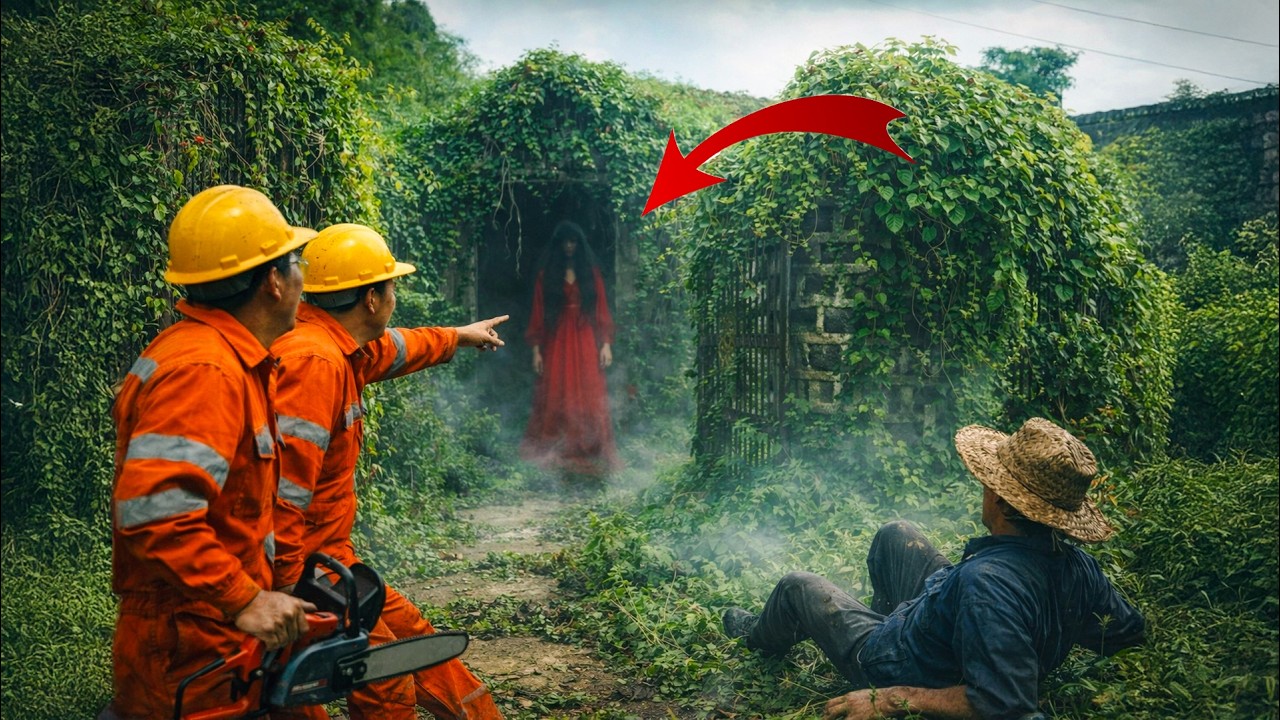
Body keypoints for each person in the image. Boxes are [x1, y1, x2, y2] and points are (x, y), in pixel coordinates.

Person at [722, 417, 1146, 720]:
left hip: (898, 664)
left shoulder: (988, 586)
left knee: (797, 586)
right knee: (897, 533)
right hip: (943, 622)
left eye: (989, 484)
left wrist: (890, 699)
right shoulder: (1078, 565)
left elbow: (1004, 702)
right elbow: (1127, 633)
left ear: (999, 500)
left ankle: (759, 635)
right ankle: (884, 621)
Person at [269, 223, 508, 720]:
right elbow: (283, 493)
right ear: (372, 299)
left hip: (330, 563)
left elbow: (398, 348)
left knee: (417, 641)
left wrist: (457, 337)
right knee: (387, 682)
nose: (396, 296)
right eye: (392, 286)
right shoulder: (314, 363)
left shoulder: (338, 346)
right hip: (307, 571)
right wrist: (291, 589)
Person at [103, 185, 318, 719]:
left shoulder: (221, 356)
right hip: (188, 638)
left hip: (212, 630)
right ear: (272, 281)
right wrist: (245, 599)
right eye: (296, 264)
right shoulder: (206, 372)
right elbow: (155, 514)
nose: (301, 279)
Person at [519, 220, 620, 477]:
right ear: (558, 245)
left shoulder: (591, 273)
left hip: (585, 336)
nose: (569, 246)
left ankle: (590, 446)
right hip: (558, 338)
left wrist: (606, 344)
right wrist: (536, 350)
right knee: (557, 389)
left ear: (579, 244)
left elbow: (601, 309)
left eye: (573, 241)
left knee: (589, 388)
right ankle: (558, 447)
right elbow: (538, 313)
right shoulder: (547, 274)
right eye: (565, 241)